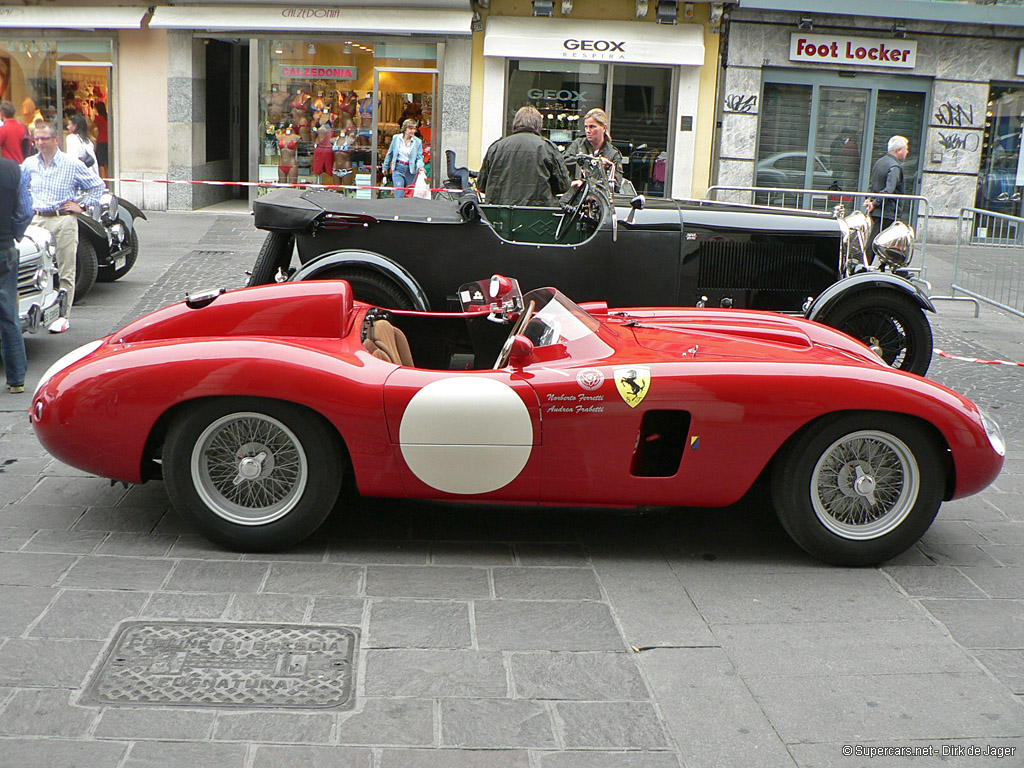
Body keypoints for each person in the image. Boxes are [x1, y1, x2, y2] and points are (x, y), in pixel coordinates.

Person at [21, 120, 106, 333]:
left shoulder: (71, 163)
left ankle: (63, 316)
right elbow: (20, 187)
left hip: (63, 219)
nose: (40, 142)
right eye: (37, 138)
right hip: (37, 220)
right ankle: (36, 310)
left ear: (56, 139)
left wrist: (82, 205)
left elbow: (98, 186)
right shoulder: (30, 163)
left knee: (66, 268)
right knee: (34, 268)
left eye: (45, 138)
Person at [477, 106, 570, 206]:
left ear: (515, 124)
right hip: (539, 216)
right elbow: (563, 186)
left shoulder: (496, 147)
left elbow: (481, 185)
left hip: (500, 215)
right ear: (538, 127)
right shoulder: (547, 148)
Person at [0, 155, 32, 392]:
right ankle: (16, 380)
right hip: (4, 248)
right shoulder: (13, 170)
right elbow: (25, 211)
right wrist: (14, 234)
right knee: (9, 315)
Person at [864, 135, 910, 249]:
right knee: (883, 242)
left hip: (879, 210)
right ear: (899, 150)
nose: (907, 152)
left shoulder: (880, 162)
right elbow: (889, 190)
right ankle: (866, 265)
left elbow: (872, 184)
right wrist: (874, 203)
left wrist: (870, 200)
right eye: (906, 149)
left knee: (877, 239)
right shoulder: (894, 166)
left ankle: (875, 265)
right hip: (887, 211)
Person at [563, 108, 623, 190]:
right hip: (574, 196)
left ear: (604, 128)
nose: (588, 130)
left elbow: (616, 185)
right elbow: (563, 162)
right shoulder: (578, 144)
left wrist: (605, 167)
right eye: (586, 127)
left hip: (598, 198)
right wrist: (584, 159)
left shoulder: (613, 154)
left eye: (592, 127)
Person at [382, 119, 424, 198]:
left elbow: (419, 157)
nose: (413, 131)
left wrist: (420, 167)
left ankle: (407, 210)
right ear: (405, 129)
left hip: (410, 170)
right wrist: (385, 167)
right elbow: (390, 153)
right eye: (410, 129)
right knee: (399, 194)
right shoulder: (396, 138)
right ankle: (398, 210)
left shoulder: (418, 142)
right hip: (398, 168)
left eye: (414, 129)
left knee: (409, 195)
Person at [93, 101, 109, 177]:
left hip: (101, 141)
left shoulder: (99, 118)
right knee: (107, 164)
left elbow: (90, 127)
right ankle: (108, 183)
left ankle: (102, 180)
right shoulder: (108, 117)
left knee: (101, 163)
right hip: (109, 141)